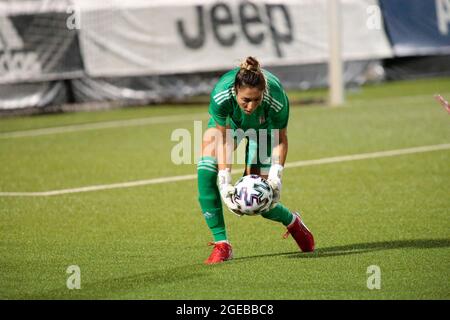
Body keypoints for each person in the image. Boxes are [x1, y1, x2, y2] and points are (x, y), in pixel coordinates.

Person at [197, 56, 315, 265]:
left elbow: (280, 139)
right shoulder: (222, 94)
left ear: (263, 94)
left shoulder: (276, 98)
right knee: (206, 171)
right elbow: (222, 139)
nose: (251, 106)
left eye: (256, 100)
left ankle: (292, 221)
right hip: (229, 126)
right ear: (235, 92)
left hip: (263, 132)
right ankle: (222, 244)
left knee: (255, 200)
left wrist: (275, 176)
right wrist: (224, 182)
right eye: (245, 100)